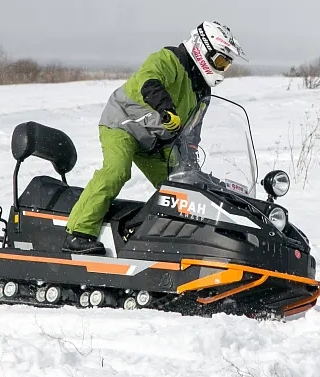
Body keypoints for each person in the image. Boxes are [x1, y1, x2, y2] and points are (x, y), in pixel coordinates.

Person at [64, 21, 248, 255]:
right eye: (221, 61)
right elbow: (149, 82)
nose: (223, 69)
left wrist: (190, 161)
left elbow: (193, 131)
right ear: (203, 51)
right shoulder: (170, 58)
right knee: (117, 171)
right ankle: (78, 232)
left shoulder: (203, 91)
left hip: (156, 139)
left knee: (183, 187)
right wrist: (166, 109)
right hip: (123, 123)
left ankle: (173, 242)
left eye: (227, 65)